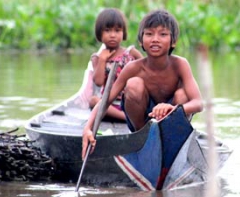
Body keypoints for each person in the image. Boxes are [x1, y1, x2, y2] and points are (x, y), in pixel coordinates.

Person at [82, 9, 203, 159]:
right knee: (134, 84)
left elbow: (198, 103)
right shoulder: (133, 68)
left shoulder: (180, 64)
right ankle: (141, 138)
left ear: (174, 41)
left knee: (182, 94)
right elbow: (105, 102)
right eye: (149, 34)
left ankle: (170, 138)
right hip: (142, 123)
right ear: (141, 40)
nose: (155, 39)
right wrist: (88, 128)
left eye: (163, 34)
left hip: (172, 122)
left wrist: (174, 109)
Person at [89, 8, 143, 121]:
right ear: (100, 33)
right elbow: (98, 82)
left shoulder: (131, 52)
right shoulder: (97, 58)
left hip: (129, 101)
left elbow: (147, 69)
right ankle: (124, 118)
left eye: (117, 31)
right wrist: (103, 60)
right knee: (93, 101)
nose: (112, 35)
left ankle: (130, 115)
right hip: (108, 103)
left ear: (123, 33)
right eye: (107, 30)